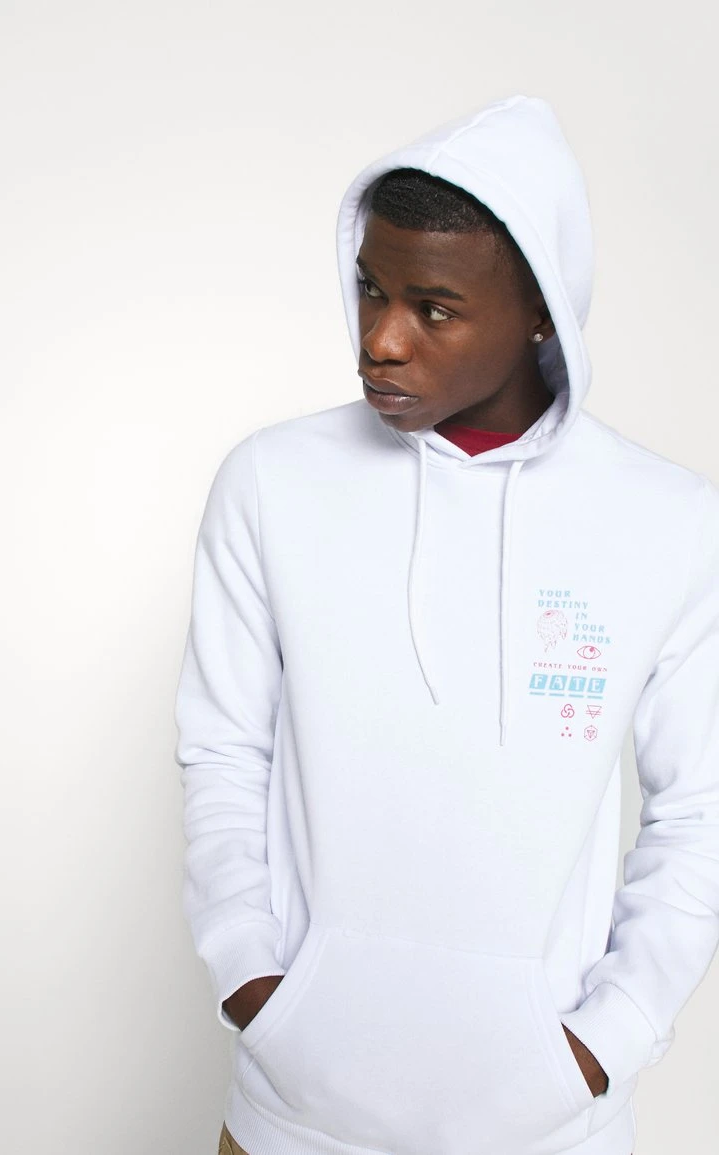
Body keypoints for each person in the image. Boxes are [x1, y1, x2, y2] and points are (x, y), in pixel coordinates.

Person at [174, 93, 719, 1155]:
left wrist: (608, 1038)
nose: (379, 339)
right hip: (293, 1115)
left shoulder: (668, 522)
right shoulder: (271, 483)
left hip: (548, 1126)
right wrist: (251, 980)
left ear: (539, 312)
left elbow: (698, 812)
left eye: (433, 308)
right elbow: (223, 750)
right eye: (369, 289)